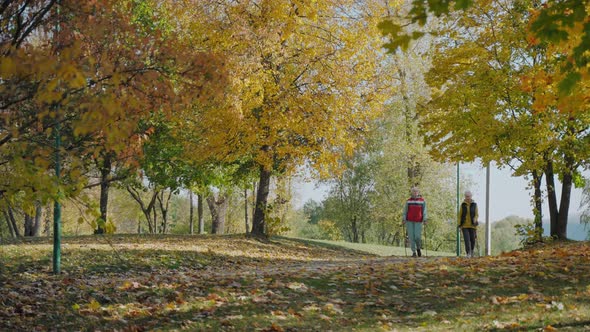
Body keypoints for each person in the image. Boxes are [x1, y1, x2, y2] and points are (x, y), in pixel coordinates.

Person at [403, 187, 427, 257]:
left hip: (418, 221)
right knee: (411, 237)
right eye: (413, 191)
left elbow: (424, 211)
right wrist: (404, 219)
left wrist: (425, 219)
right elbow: (405, 211)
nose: (415, 193)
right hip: (409, 221)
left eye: (416, 191)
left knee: (417, 236)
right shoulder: (408, 201)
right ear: (412, 192)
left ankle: (418, 248)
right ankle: (414, 252)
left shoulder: (422, 201)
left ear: (418, 192)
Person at [458, 190, 479, 257]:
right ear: (465, 196)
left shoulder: (474, 204)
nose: (467, 198)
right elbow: (459, 215)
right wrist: (459, 224)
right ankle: (468, 253)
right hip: (464, 225)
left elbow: (476, 214)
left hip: (472, 225)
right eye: (466, 196)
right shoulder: (463, 205)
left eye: (469, 196)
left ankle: (472, 251)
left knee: (472, 240)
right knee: (467, 240)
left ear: (471, 196)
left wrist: (475, 219)